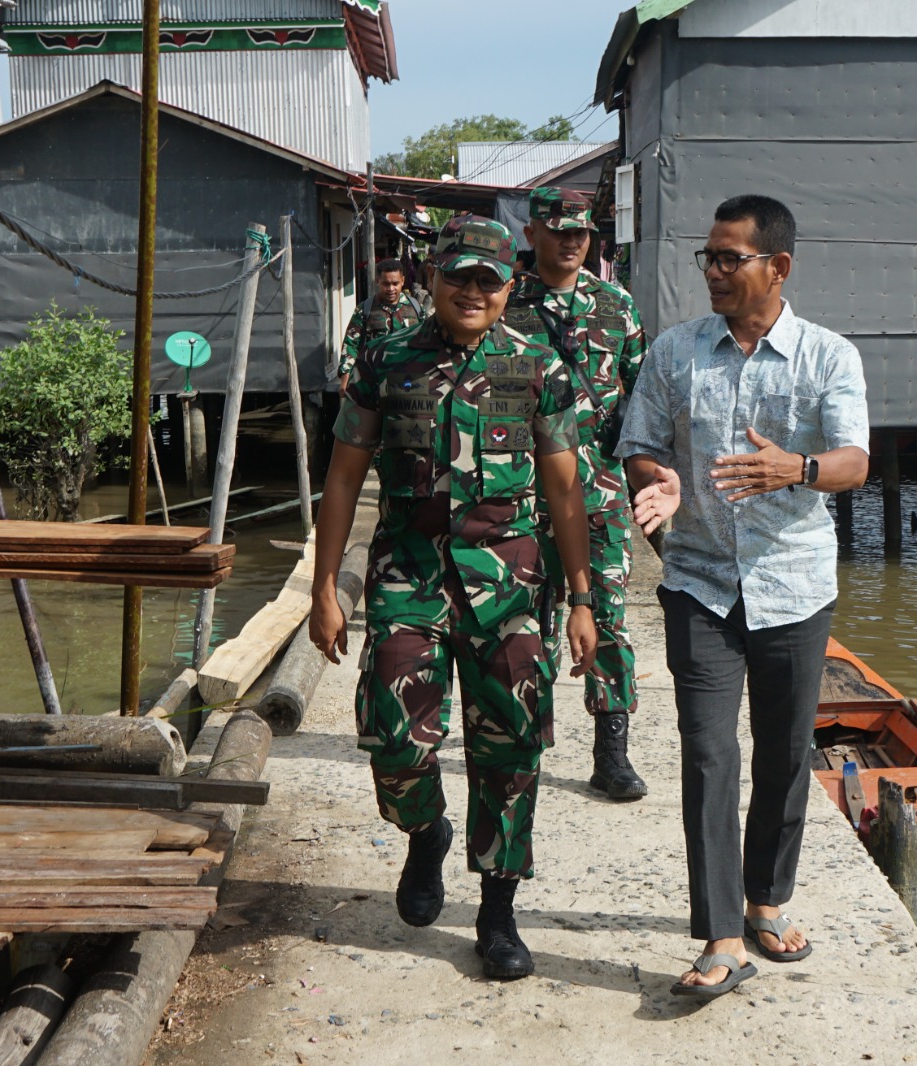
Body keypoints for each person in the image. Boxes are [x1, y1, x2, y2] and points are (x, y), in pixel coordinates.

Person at [309, 214, 599, 981]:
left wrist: (582, 598)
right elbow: (343, 476)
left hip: (509, 588)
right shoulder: (384, 360)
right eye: (458, 276)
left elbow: (565, 491)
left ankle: (497, 913)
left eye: (487, 280)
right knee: (393, 733)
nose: (472, 291)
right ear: (432, 278)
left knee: (512, 748)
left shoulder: (537, 366)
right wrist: (323, 588)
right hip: (407, 578)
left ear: (508, 285)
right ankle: (426, 830)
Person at [615, 194, 870, 997]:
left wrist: (797, 467)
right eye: (710, 257)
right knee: (707, 753)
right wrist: (659, 481)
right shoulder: (674, 352)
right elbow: (639, 446)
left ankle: (767, 899)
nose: (715, 272)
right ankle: (722, 934)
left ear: (778, 266)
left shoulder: (828, 356)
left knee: (785, 752)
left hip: (794, 585)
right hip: (698, 582)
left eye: (731, 258)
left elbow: (855, 461)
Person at [503, 186, 649, 800]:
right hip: (522, 493)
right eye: (559, 230)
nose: (571, 241)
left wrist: (649, 477)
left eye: (581, 232)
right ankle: (525, 738)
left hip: (600, 492)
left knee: (607, 617)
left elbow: (644, 396)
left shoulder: (616, 304)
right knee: (525, 618)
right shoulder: (505, 302)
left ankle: (611, 752)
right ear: (531, 232)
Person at [337, 259, 424, 391]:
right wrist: (345, 378)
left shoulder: (416, 308)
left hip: (409, 379)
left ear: (402, 281)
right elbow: (351, 345)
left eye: (395, 283)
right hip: (374, 380)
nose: (391, 289)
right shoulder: (365, 309)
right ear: (377, 281)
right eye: (386, 284)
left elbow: (427, 341)